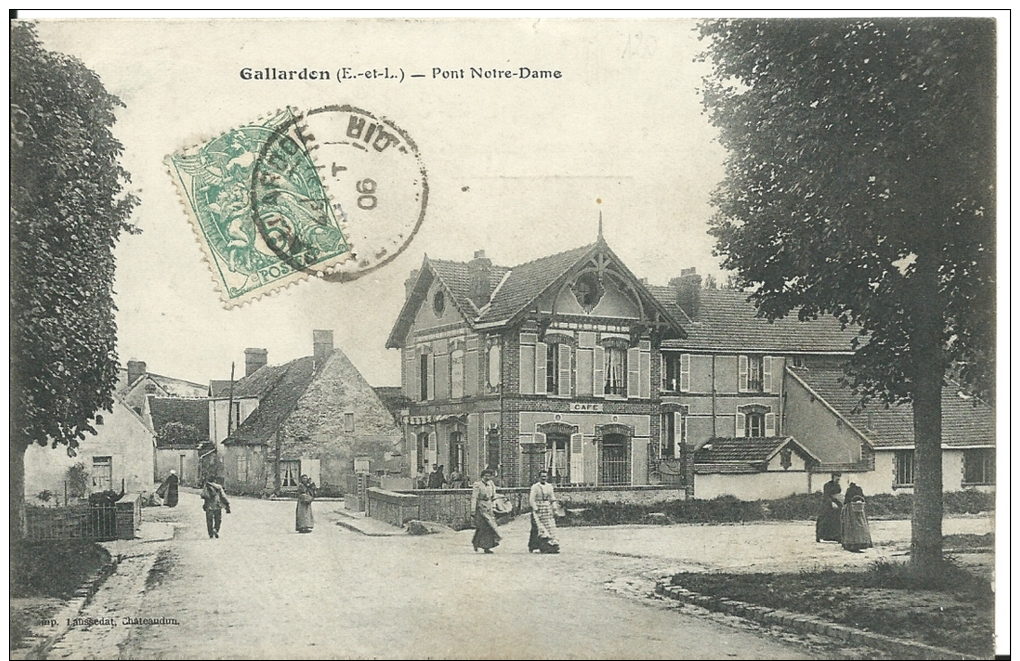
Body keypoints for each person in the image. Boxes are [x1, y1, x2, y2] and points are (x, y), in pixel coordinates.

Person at [528, 469, 561, 554]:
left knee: (550, 527)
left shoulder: (549, 486)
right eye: (542, 476)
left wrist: (554, 508)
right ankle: (534, 546)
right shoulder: (535, 487)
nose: (543, 478)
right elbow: (532, 499)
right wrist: (535, 508)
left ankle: (550, 546)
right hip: (538, 509)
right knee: (538, 528)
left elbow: (552, 498)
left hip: (547, 508)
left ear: (547, 477)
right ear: (539, 477)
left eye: (545, 476)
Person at [470, 469, 501, 553]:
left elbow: (494, 496)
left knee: (489, 527)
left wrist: (495, 506)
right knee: (482, 527)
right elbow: (474, 497)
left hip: (489, 507)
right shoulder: (477, 485)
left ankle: (485, 546)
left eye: (489, 476)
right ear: (482, 476)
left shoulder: (491, 484)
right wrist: (473, 510)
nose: (487, 477)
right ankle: (480, 544)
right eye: (485, 476)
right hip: (480, 508)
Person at [841, 482, 873, 553]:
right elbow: (862, 497)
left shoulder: (849, 490)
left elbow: (846, 500)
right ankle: (862, 541)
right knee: (861, 524)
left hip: (851, 509)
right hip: (859, 508)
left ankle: (851, 543)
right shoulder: (859, 489)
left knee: (850, 525)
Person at [816, 472, 842, 543]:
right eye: (837, 477)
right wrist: (831, 503)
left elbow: (838, 495)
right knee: (824, 519)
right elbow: (826, 495)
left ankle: (836, 536)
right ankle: (820, 535)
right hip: (827, 503)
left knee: (837, 519)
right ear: (833, 477)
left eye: (839, 477)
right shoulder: (827, 485)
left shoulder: (838, 486)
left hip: (836, 503)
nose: (838, 479)